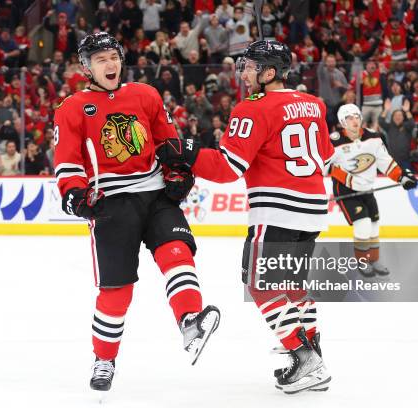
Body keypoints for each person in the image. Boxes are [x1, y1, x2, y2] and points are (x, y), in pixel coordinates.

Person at [157, 40, 333, 394]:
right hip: (313, 209)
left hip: (277, 208)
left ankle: (305, 358)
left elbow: (227, 168)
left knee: (262, 285)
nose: (244, 72)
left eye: (252, 67)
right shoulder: (313, 104)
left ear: (270, 73)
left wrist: (186, 151)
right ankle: (313, 353)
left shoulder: (253, 108)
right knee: (293, 287)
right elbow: (326, 159)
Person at [53, 32, 220, 393]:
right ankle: (104, 359)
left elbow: (167, 141)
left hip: (156, 195)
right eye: (100, 59)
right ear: (86, 67)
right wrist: (75, 195)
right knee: (118, 292)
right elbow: (67, 163)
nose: (110, 64)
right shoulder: (71, 108)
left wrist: (177, 171)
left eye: (113, 57)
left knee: (178, 256)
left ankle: (190, 320)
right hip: (111, 204)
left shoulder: (145, 94)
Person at [328, 104, 418, 277]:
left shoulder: (374, 138)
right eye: (349, 118)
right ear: (342, 122)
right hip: (346, 190)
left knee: (374, 226)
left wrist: (402, 177)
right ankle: (362, 262)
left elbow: (385, 162)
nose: (354, 120)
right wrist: (341, 176)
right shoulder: (334, 141)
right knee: (362, 225)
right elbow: (324, 166)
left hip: (366, 189)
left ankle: (374, 260)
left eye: (356, 116)